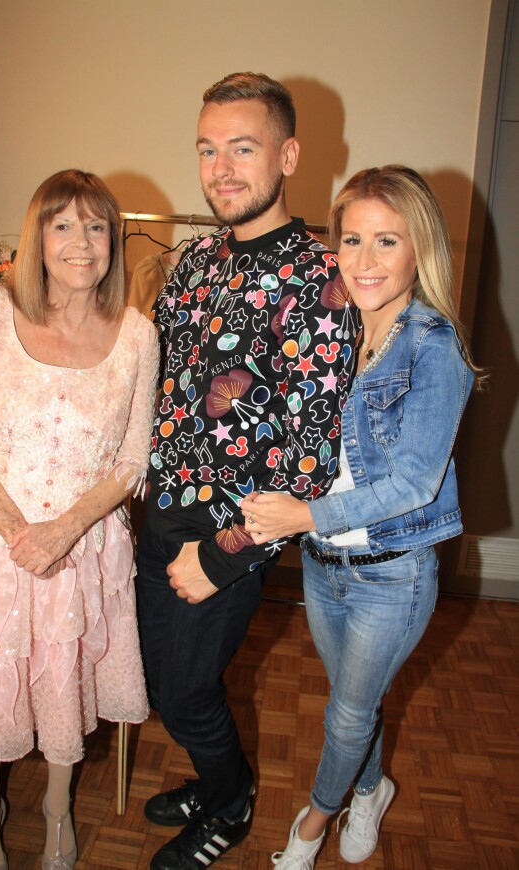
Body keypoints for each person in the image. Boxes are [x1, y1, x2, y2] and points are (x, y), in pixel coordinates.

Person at [136, 71, 359, 869]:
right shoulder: (193, 261)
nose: (221, 168)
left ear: (288, 154)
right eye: (207, 149)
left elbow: (310, 459)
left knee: (192, 697)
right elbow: (153, 387)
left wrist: (222, 553)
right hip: (155, 522)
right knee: (162, 688)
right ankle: (215, 780)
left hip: (225, 538)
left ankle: (230, 804)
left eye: (242, 147)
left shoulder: (322, 280)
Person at [241, 165, 481, 867]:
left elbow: (411, 482)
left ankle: (312, 824)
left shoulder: (433, 348)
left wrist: (304, 515)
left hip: (392, 574)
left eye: (386, 242)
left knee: (345, 713)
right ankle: (371, 789)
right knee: (358, 700)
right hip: (324, 567)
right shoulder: (332, 331)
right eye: (352, 240)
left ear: (419, 250)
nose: (365, 262)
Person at [0, 169, 159, 870]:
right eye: (62, 224)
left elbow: (132, 461)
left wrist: (63, 530)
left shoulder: (136, 335)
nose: (81, 242)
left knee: (63, 681)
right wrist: (16, 533)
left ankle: (59, 813)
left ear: (113, 240)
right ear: (36, 235)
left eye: (96, 226)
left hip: (84, 547)